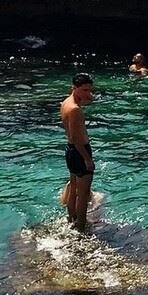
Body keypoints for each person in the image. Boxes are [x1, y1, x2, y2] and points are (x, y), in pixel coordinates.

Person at [60, 73, 96, 232]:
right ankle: (81, 226)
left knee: (73, 186)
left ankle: (72, 218)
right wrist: (87, 159)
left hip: (71, 150)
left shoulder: (66, 102)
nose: (88, 93)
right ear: (74, 88)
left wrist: (87, 95)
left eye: (89, 90)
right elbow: (75, 138)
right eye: (84, 90)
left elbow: (89, 99)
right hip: (80, 150)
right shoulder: (75, 110)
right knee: (83, 193)